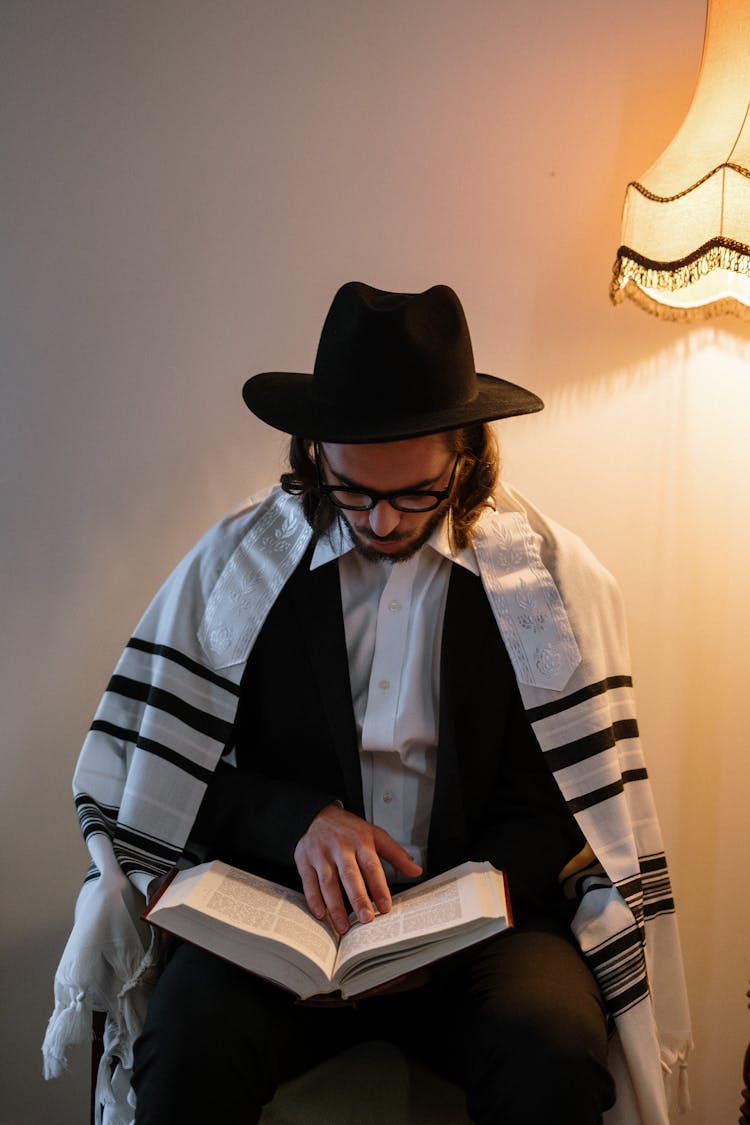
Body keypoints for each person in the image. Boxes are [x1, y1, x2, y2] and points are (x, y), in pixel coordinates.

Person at [44, 283, 691, 1125]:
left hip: (480, 940)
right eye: (354, 489)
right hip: (284, 929)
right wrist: (299, 820)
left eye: (415, 491)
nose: (382, 519)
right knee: (188, 1040)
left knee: (554, 1047)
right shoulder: (242, 571)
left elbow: (559, 806)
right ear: (315, 455)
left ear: (466, 454)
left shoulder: (540, 586)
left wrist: (452, 913)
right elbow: (167, 776)